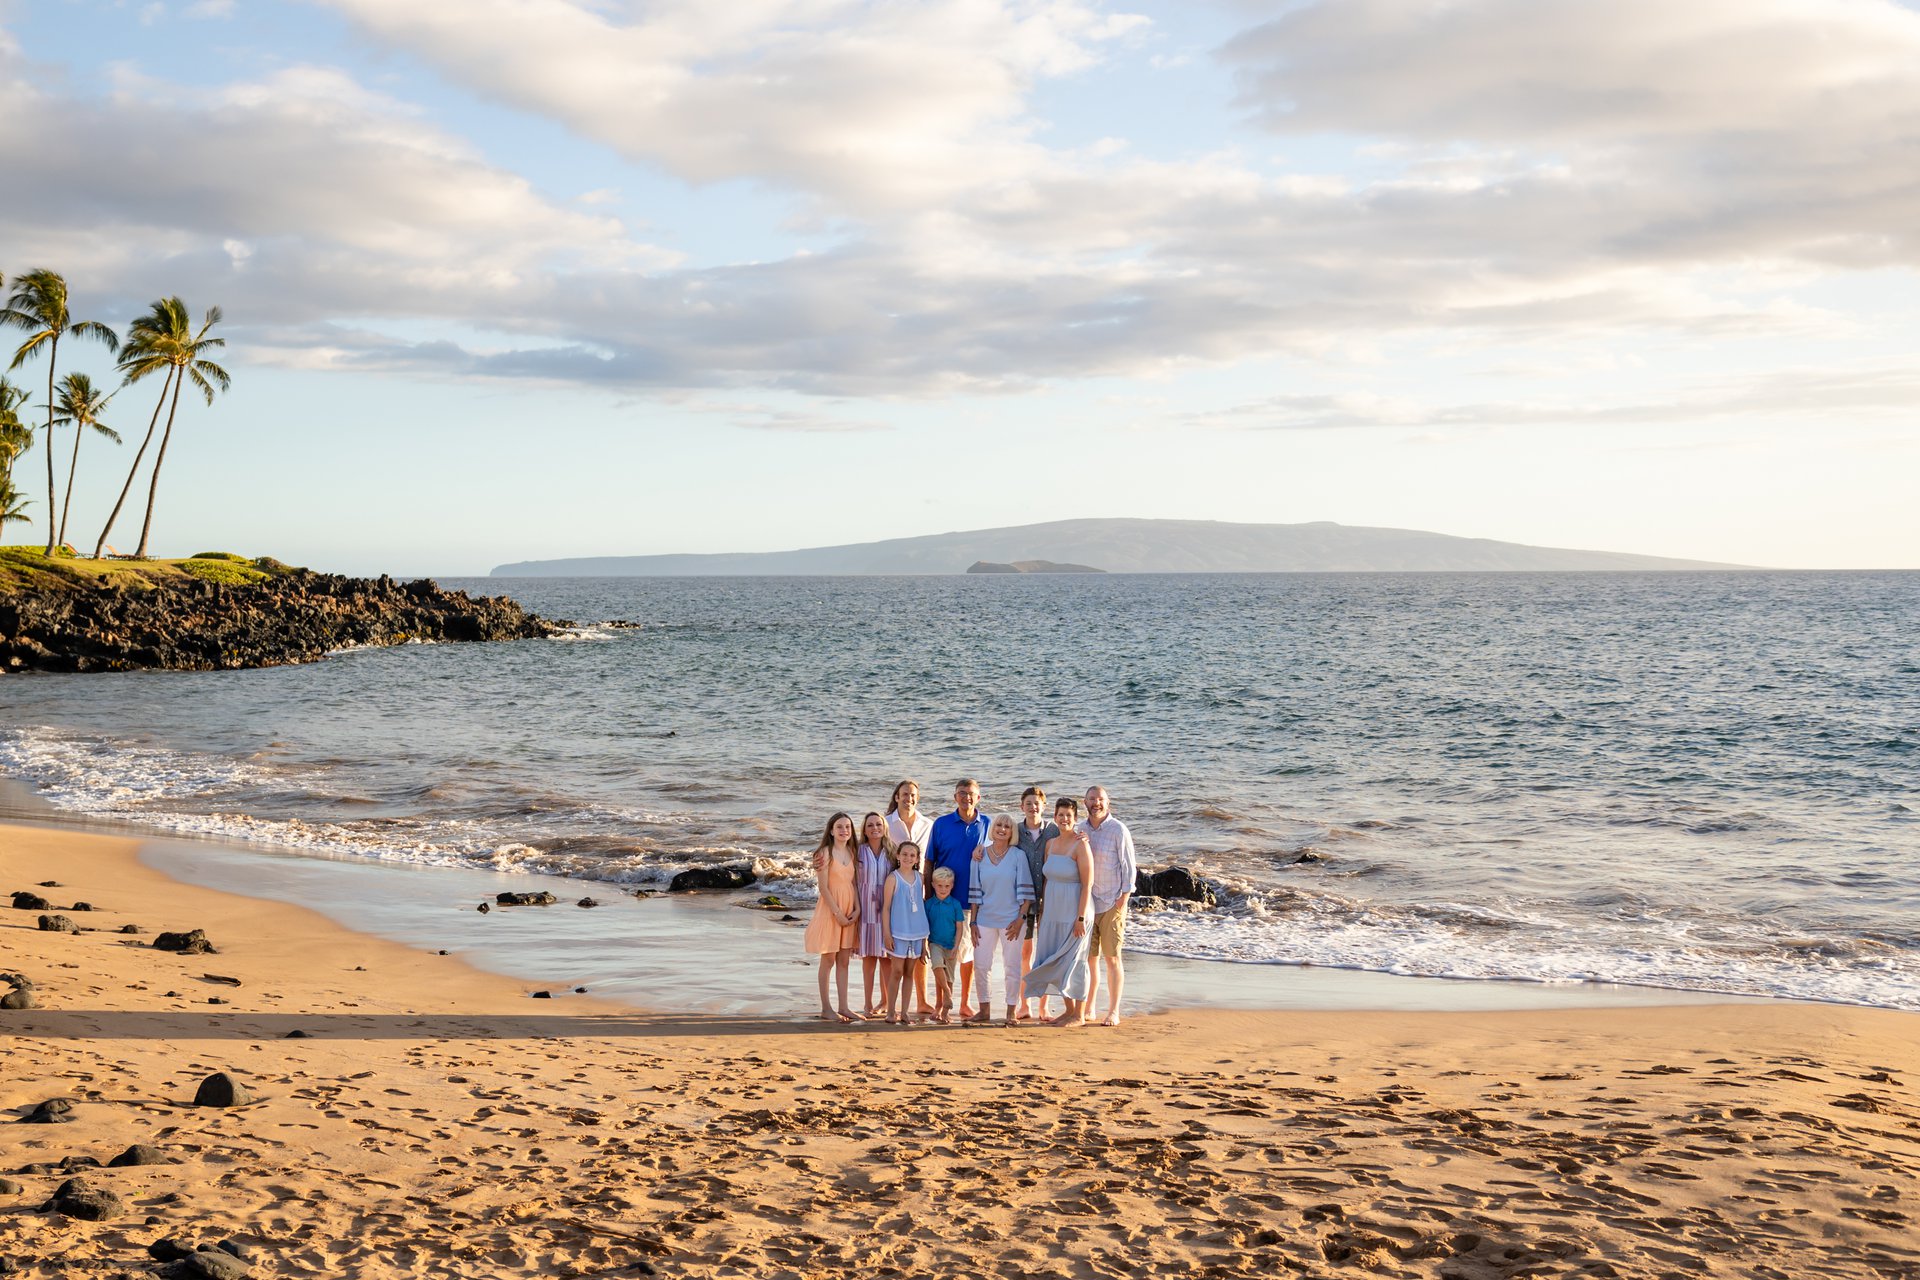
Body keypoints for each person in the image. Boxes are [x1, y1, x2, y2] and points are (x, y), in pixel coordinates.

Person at [1022, 797, 1093, 1026]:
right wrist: (1042, 912)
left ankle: (1079, 1015)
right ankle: (1068, 1010)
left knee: (1075, 961)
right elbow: (1045, 881)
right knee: (1056, 959)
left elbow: (1087, 885)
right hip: (1052, 911)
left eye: (1069, 816)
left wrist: (1081, 918)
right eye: (1060, 815)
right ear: (1054, 817)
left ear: (1075, 819)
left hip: (1075, 912)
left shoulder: (1081, 844)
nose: (1064, 819)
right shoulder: (1051, 844)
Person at [926, 778, 989, 1018]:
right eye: (962, 793)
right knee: (943, 952)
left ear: (978, 797)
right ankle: (942, 1002)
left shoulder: (987, 824)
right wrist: (929, 897)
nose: (966, 797)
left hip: (974, 900)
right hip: (943, 899)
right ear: (955, 797)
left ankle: (964, 1002)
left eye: (971, 793)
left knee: (968, 954)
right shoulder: (941, 824)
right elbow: (930, 860)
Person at [968, 813, 1034, 1025]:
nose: (1002, 828)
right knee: (980, 965)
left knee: (1012, 967)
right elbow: (975, 892)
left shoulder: (1018, 856)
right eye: (998, 824)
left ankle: (1010, 1012)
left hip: (1011, 921)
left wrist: (1020, 919)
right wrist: (973, 922)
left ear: (1011, 832)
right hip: (985, 920)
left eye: (1007, 826)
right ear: (992, 828)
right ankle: (984, 1009)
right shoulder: (979, 856)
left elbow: (1026, 892)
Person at [1081, 785, 1138, 1027]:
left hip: (1112, 902)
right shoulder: (1080, 829)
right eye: (1092, 799)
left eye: (1101, 799)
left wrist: (1123, 898)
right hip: (1087, 905)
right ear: (1085, 802)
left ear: (1108, 802)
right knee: (1089, 959)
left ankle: (1113, 1010)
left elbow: (1129, 867)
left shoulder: (1118, 830)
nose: (1097, 803)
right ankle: (1090, 1006)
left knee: (1112, 958)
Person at [885, 780, 936, 1018]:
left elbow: (933, 855)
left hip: (920, 889)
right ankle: (889, 1007)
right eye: (904, 794)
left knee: (914, 963)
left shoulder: (928, 824)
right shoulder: (887, 823)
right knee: (895, 966)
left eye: (913, 794)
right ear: (897, 797)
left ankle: (919, 1003)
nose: (909, 798)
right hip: (895, 891)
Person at [802, 812, 860, 1023]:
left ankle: (843, 1007)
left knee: (844, 961)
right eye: (840, 827)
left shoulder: (852, 852)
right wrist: (837, 914)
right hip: (830, 910)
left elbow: (853, 883)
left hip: (849, 910)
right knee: (828, 960)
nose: (844, 830)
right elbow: (823, 888)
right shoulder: (825, 853)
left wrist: (857, 908)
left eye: (848, 827)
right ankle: (826, 1008)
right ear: (831, 830)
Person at [1012, 786, 1058, 1022]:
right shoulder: (1016, 831)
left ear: (1044, 806)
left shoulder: (1053, 830)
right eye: (1028, 803)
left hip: (1051, 898)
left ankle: (1044, 1006)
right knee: (1025, 954)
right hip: (1024, 900)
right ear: (1022, 806)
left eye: (1037, 803)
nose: (1033, 807)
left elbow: (1071, 845)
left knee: (1047, 953)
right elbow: (998, 847)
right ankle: (1024, 1004)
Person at [879, 840, 930, 1025]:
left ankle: (905, 1012)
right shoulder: (893, 878)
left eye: (912, 855)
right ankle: (891, 1011)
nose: (908, 858)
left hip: (917, 932)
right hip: (898, 931)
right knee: (897, 971)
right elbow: (886, 908)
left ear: (917, 859)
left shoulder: (921, 878)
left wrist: (924, 940)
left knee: (910, 972)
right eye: (905, 854)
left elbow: (922, 906)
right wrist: (887, 933)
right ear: (898, 856)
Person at [853, 812, 895, 1019]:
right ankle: (868, 1002)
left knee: (887, 958)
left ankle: (886, 1001)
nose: (875, 828)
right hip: (865, 908)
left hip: (888, 910)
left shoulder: (893, 851)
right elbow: (851, 880)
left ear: (885, 827)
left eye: (878, 824)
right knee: (869, 958)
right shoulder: (858, 851)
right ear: (865, 829)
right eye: (870, 825)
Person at [923, 867, 967, 1023]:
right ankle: (945, 996)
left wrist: (956, 946)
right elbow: (924, 926)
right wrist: (923, 946)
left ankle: (944, 1011)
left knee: (949, 978)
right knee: (936, 965)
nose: (943, 889)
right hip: (935, 943)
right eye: (940, 885)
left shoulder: (955, 904)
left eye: (947, 886)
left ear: (952, 885)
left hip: (951, 945)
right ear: (933, 884)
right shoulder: (928, 905)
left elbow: (960, 927)